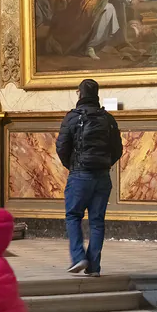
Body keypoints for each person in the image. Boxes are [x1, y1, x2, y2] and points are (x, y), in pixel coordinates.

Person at [56, 78, 123, 276]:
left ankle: (78, 258)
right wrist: (106, 163)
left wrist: (73, 166)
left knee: (73, 216)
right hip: (102, 176)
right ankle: (94, 267)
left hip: (80, 174)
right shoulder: (108, 119)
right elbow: (118, 149)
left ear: (79, 93)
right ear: (97, 94)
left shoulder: (72, 118)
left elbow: (62, 146)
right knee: (97, 221)